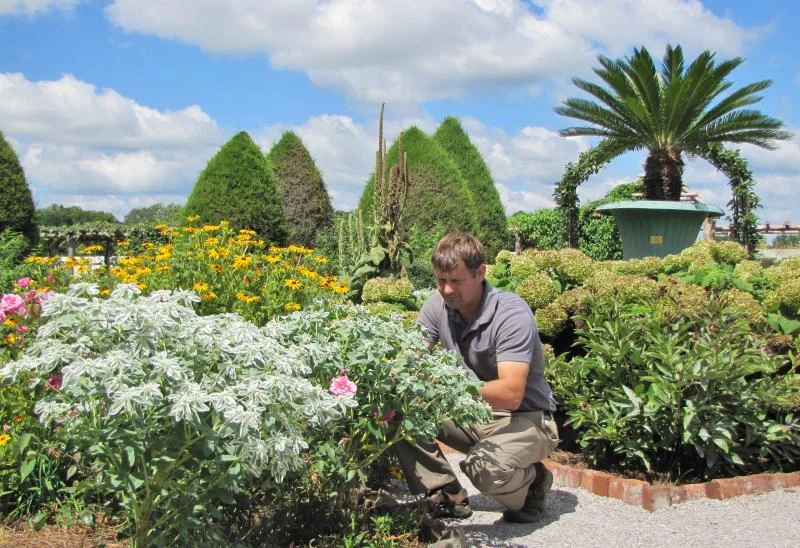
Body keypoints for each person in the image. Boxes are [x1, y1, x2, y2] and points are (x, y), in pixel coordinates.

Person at [394, 232, 560, 523]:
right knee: (398, 408)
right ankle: (445, 494)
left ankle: (533, 482)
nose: (446, 290)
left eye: (455, 281)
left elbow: (511, 393)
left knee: (483, 469)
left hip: (526, 418)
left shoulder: (510, 314)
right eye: (440, 280)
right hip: (472, 411)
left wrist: (447, 387)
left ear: (480, 272)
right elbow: (409, 358)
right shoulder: (438, 305)